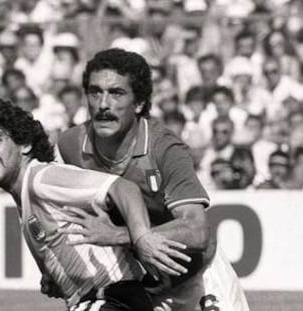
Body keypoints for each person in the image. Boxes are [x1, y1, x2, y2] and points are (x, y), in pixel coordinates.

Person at [56, 48, 249, 311]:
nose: (102, 104)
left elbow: (197, 229)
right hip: (134, 290)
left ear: (138, 103)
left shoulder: (165, 149)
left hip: (196, 279)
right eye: (95, 91)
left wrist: (121, 235)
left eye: (116, 93)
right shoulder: (70, 146)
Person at [0, 98, 192, 311]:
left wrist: (142, 237)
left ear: (25, 145)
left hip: (113, 299)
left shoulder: (41, 178)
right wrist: (57, 277)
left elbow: (123, 188)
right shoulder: (27, 198)